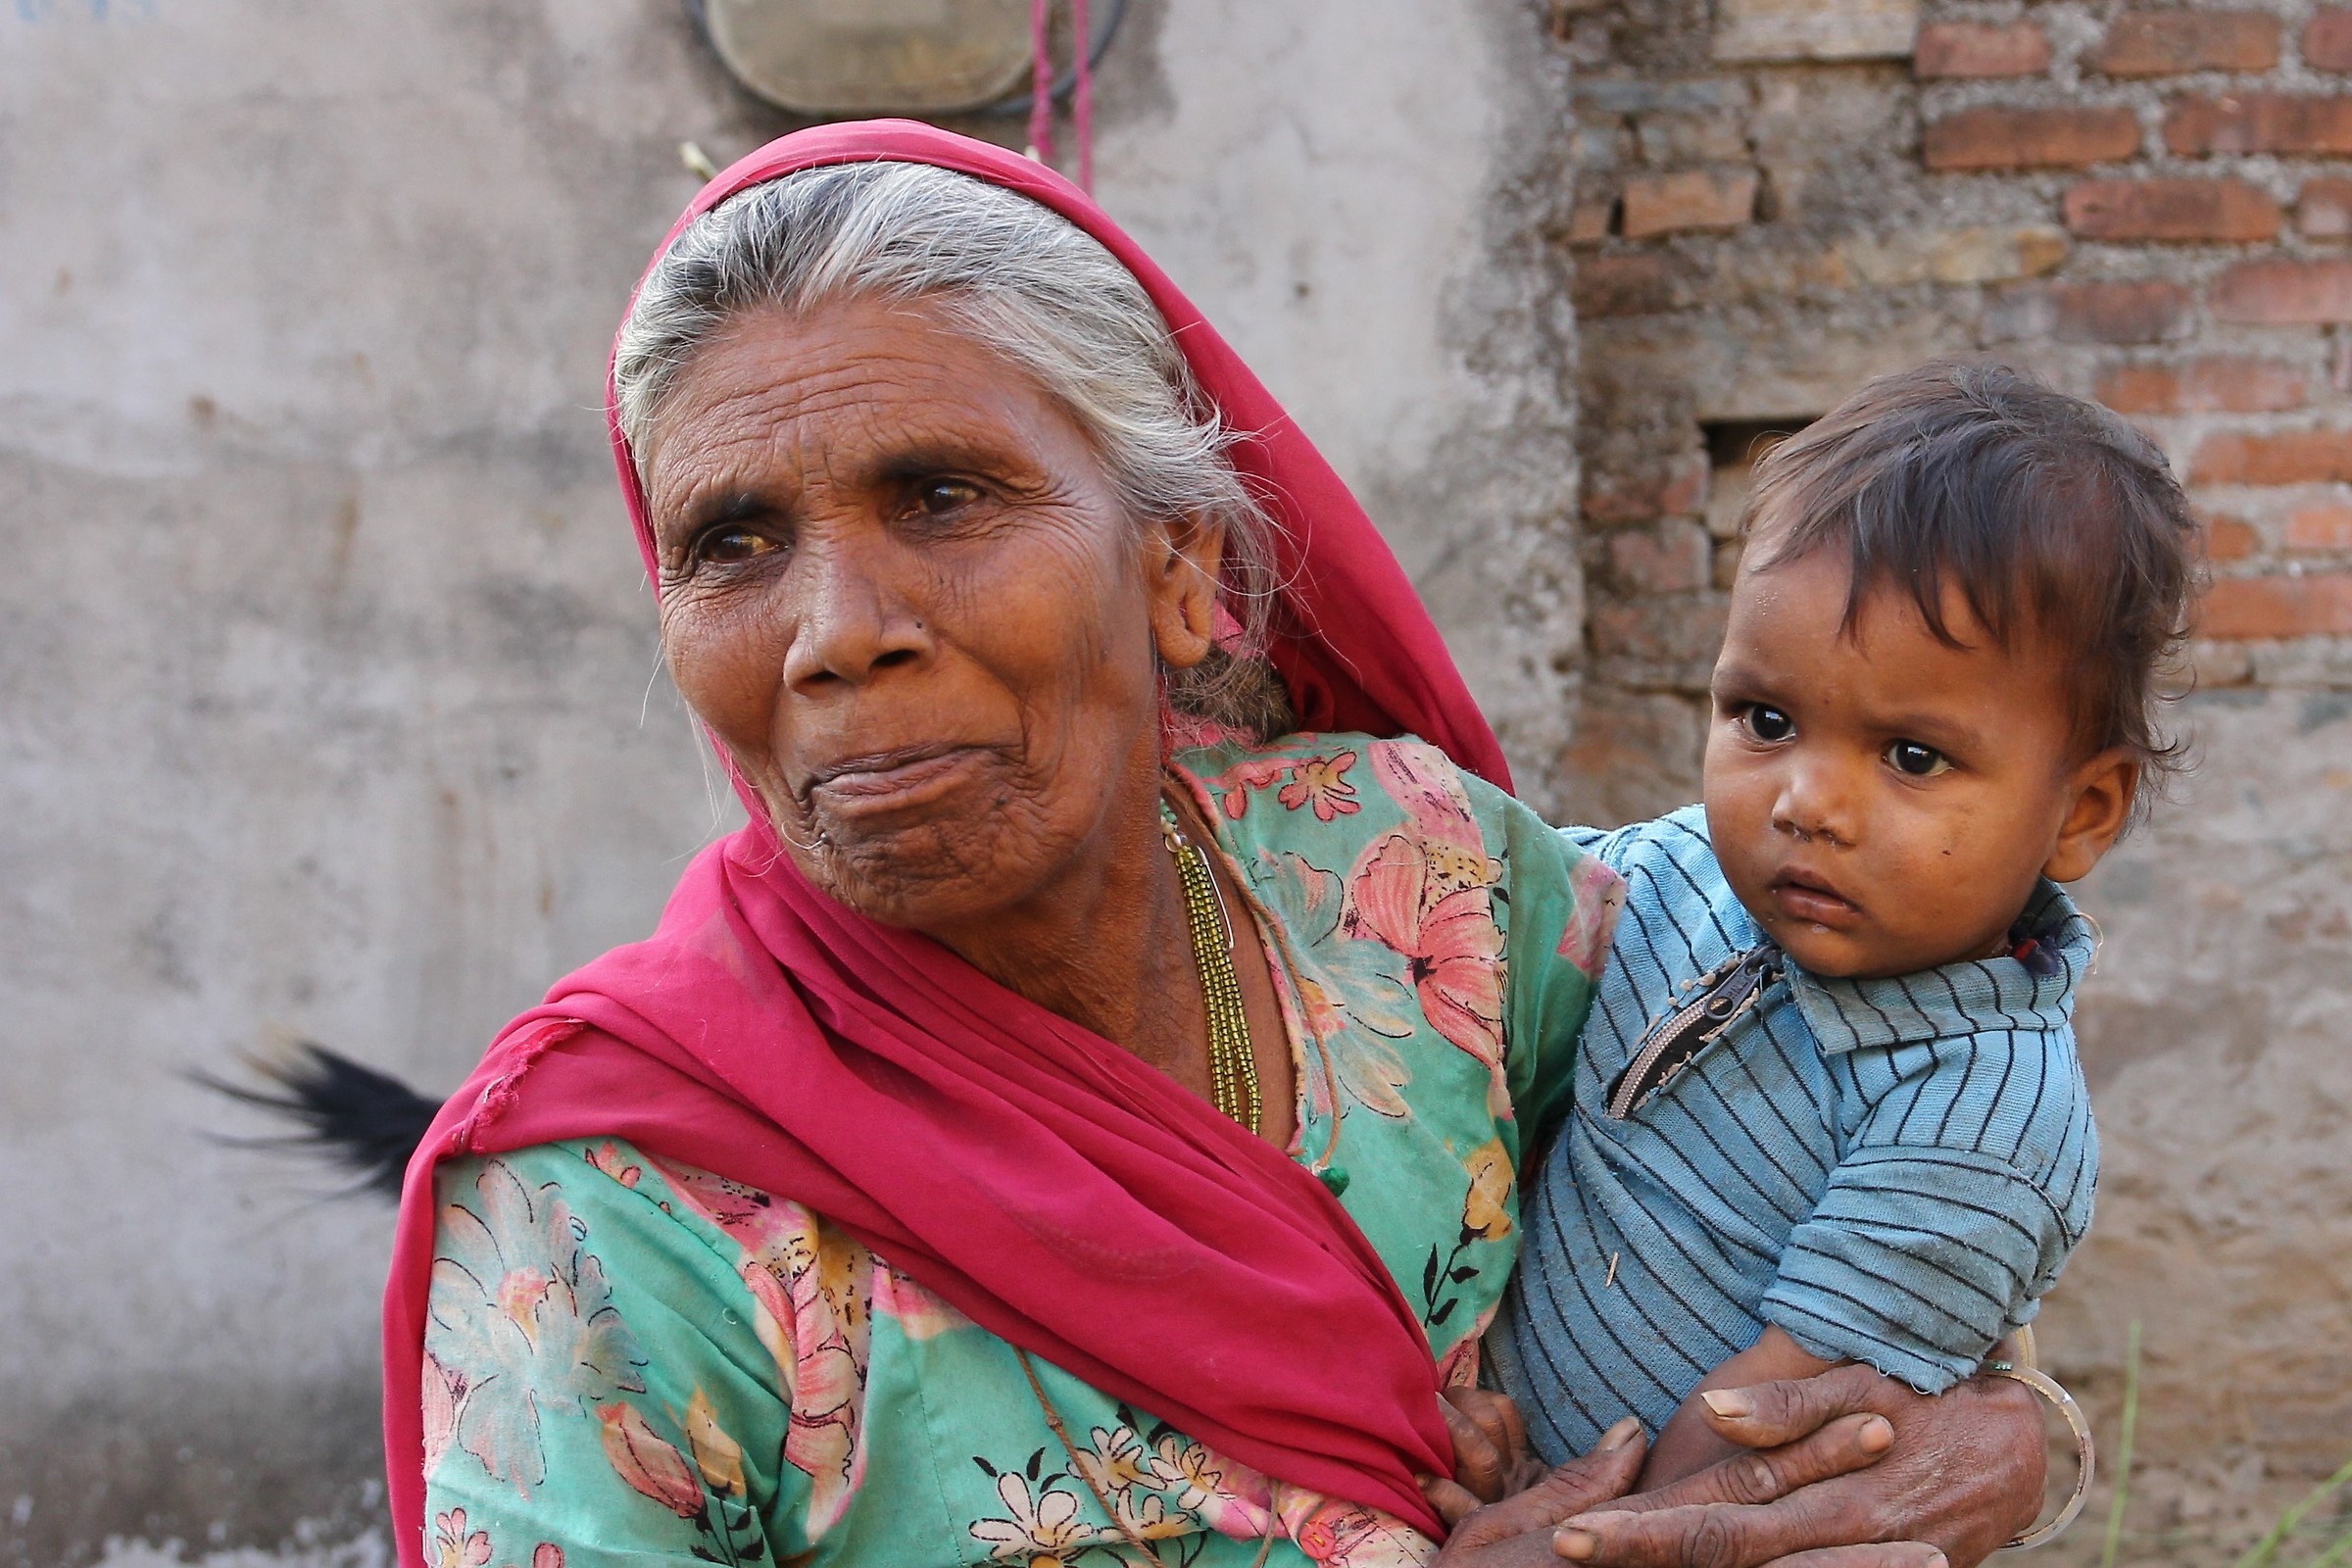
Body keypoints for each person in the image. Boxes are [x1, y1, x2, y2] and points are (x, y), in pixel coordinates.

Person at [381, 122, 2056, 1568]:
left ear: (1179, 567)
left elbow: (1857, 1134)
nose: (835, 631)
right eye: (731, 541)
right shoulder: (609, 1223)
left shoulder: (1418, 890)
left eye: (946, 498)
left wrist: (2005, 1430)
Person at [1490, 364, 2193, 1493]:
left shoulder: (1985, 1117)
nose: (1804, 802)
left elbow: (1770, 1425)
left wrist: (1556, 1532)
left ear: (2082, 812)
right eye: (1765, 719)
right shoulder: (1673, 875)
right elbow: (1461, 935)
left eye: (1913, 756)